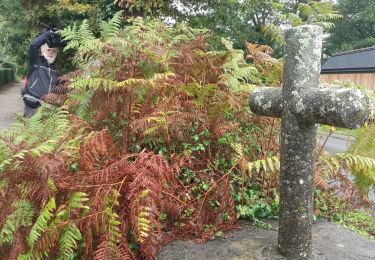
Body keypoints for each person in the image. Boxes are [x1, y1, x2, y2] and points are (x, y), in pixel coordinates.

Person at [22, 25, 66, 117]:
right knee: (30, 130)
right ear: (42, 51)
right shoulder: (35, 61)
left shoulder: (56, 69)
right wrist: (48, 34)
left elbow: (63, 86)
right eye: (48, 50)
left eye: (54, 51)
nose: (51, 52)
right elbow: (34, 45)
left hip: (48, 107)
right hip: (32, 101)